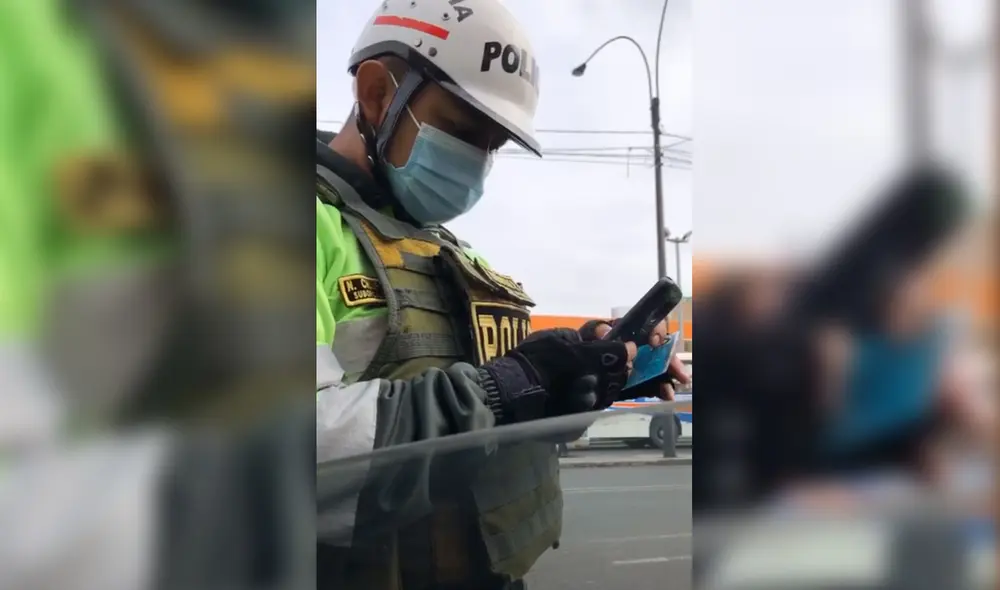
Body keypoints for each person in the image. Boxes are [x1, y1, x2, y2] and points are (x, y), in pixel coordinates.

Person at [315, 1, 688, 588]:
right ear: (377, 95)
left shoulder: (450, 251)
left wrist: (580, 376)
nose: (477, 165)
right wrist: (507, 386)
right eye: (464, 131)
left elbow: (494, 417)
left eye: (493, 146)